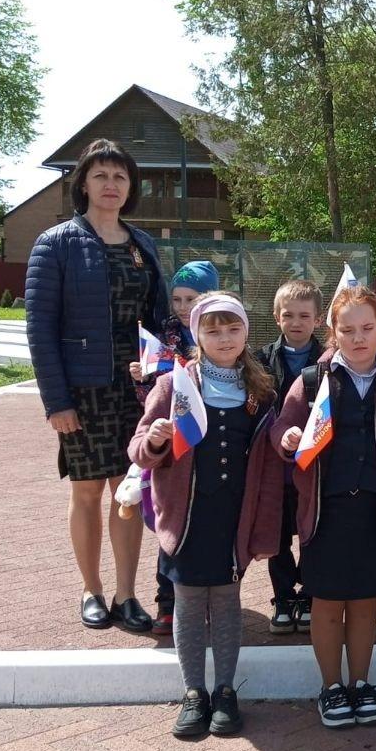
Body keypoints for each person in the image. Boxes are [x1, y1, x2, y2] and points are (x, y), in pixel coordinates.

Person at [273, 286, 376, 729]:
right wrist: (287, 438)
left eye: (367, 328)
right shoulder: (312, 381)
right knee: (326, 602)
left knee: (364, 602)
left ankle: (360, 684)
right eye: (348, 330)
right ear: (333, 332)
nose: (358, 338)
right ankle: (331, 687)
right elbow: (282, 428)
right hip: (325, 511)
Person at [26, 138, 169, 632]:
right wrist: (56, 401)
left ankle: (127, 594)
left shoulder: (142, 244)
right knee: (88, 491)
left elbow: (160, 321)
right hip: (83, 392)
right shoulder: (56, 243)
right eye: (101, 175)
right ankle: (91, 590)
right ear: (83, 183)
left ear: (130, 187)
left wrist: (164, 378)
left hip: (135, 392)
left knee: (128, 491)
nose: (111, 184)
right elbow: (40, 330)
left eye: (120, 177)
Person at [129, 292, 284, 738]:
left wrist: (263, 528)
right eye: (213, 330)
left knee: (228, 602)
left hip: (233, 517)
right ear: (197, 334)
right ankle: (194, 692)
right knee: (190, 603)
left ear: (246, 333)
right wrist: (155, 440)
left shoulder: (260, 391)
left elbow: (269, 467)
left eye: (233, 328)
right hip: (187, 517)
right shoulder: (173, 385)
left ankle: (225, 691)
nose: (224, 338)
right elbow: (139, 448)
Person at [130, 258, 221, 636]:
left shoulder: (220, 333)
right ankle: (167, 603)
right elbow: (150, 404)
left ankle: (209, 602)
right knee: (170, 526)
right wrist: (143, 378)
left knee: (209, 530)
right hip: (171, 448)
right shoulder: (162, 337)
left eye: (192, 299)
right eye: (178, 299)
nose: (183, 308)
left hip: (210, 448)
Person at [257, 279, 325, 636]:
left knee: (312, 533)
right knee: (279, 535)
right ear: (276, 317)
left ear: (318, 320)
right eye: (288, 315)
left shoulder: (329, 360)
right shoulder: (259, 360)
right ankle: (283, 597)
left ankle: (311, 594)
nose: (295, 322)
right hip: (276, 467)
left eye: (304, 316)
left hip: (316, 467)